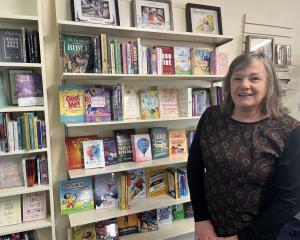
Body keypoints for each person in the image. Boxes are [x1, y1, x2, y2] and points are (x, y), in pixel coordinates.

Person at [187, 52, 300, 240]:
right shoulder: (211, 117)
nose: (244, 85)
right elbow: (195, 168)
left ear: (269, 84)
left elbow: (289, 200)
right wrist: (201, 219)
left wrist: (240, 238)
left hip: (258, 234)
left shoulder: (290, 131)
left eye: (254, 78)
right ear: (229, 83)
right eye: (237, 78)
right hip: (209, 231)